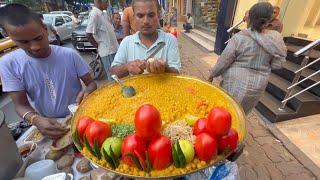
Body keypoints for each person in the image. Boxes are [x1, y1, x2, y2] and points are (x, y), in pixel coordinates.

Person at [0, 4, 97, 139]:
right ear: (11, 38)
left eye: (38, 38)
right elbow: (20, 105)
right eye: (24, 42)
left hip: (81, 118)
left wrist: (87, 93)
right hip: (48, 126)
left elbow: (91, 84)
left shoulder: (69, 55)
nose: (35, 47)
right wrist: (35, 119)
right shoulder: (8, 64)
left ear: (45, 29)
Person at [207, 2, 287, 115]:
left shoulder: (240, 38)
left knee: (226, 112)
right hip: (258, 85)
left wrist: (212, 74)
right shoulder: (276, 38)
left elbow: (224, 61)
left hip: (234, 83)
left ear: (250, 18)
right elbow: (277, 65)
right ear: (270, 19)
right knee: (242, 114)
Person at [111, 0, 181, 78]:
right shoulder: (126, 42)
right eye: (140, 16)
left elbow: (177, 73)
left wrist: (165, 69)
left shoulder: (170, 40)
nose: (146, 21)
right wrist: (127, 67)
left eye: (151, 15)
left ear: (159, 15)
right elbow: (114, 73)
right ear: (134, 17)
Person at [86, 0, 119, 82]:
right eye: (106, 2)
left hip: (113, 50)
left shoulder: (103, 14)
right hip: (107, 52)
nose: (108, 4)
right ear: (99, 2)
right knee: (113, 78)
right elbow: (88, 34)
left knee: (117, 76)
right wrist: (98, 46)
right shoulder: (94, 14)